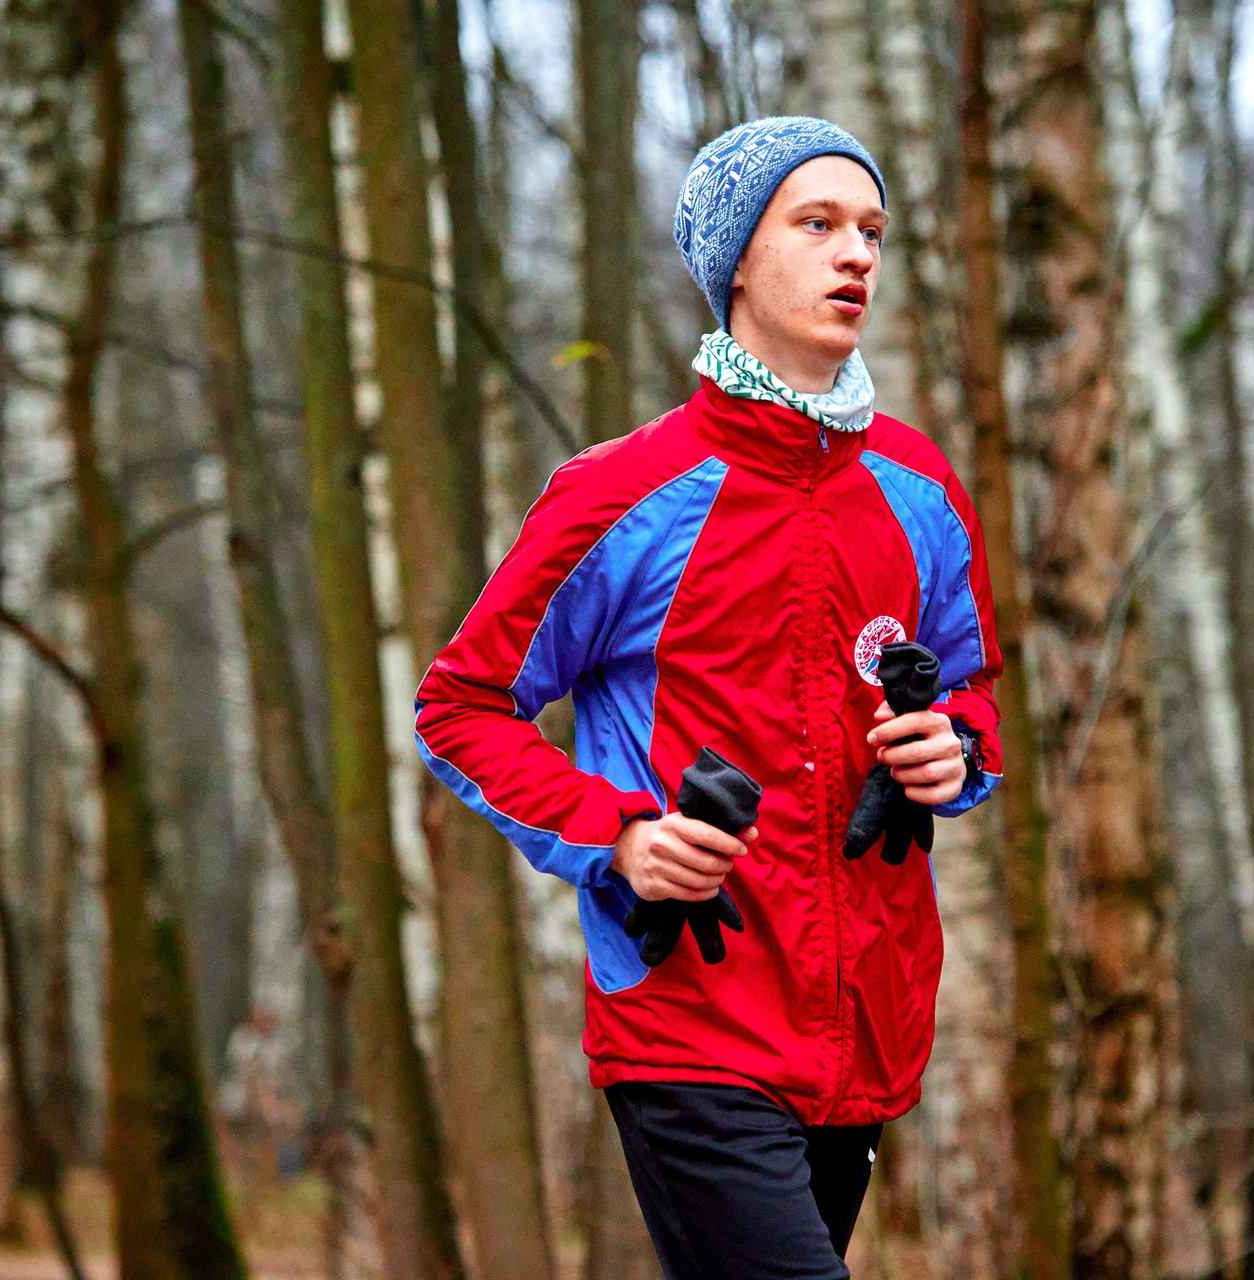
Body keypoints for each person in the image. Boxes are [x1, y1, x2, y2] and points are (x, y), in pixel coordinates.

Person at [415, 116, 1004, 1280]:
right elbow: (462, 707)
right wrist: (619, 835)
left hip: (864, 1019)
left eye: (872, 231)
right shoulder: (619, 495)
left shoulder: (920, 484)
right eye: (817, 223)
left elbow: (970, 686)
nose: (857, 254)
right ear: (736, 259)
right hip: (690, 1014)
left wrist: (957, 749)